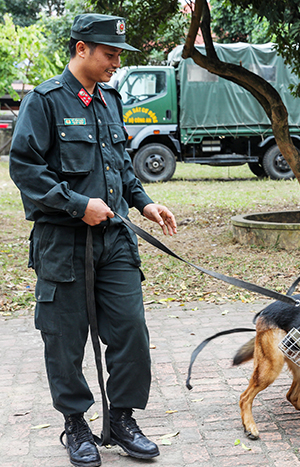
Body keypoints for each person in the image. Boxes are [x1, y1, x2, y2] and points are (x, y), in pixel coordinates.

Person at [9, 13, 177, 467]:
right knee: (64, 339)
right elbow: (24, 169)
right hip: (62, 242)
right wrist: (76, 204)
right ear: (81, 48)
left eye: (119, 54)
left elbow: (120, 163)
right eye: (109, 53)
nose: (116, 62)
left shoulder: (110, 100)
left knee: (130, 332)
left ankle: (121, 419)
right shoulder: (44, 101)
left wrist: (144, 203)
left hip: (116, 241)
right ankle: (76, 425)